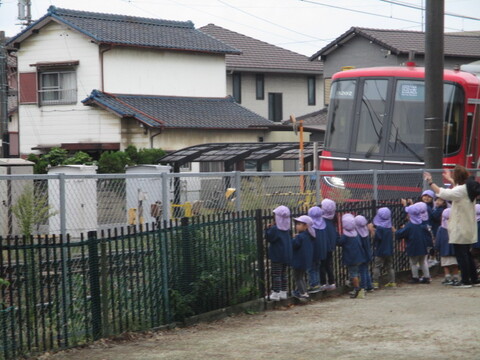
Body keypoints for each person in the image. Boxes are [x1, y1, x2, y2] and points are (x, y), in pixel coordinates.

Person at [424, 166, 479, 287]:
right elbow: (458, 189)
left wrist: (430, 181)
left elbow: (443, 193)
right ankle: (474, 279)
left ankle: (465, 280)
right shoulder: (469, 188)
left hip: (460, 227)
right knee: (467, 254)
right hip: (468, 226)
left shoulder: (460, 190)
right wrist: (450, 179)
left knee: (461, 255)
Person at [395, 203, 431, 284]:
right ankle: (427, 276)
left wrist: (395, 231)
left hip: (414, 246)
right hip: (423, 245)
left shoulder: (410, 225)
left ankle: (415, 277)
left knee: (413, 262)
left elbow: (401, 233)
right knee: (423, 261)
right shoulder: (422, 223)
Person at [337, 214, 367, 299]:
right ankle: (359, 288)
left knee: (353, 273)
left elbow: (339, 242)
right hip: (359, 256)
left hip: (351, 258)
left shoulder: (345, 236)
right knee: (356, 273)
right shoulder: (356, 234)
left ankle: (357, 289)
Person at [265, 205, 292, 301]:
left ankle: (276, 292)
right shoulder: (287, 229)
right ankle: (283, 291)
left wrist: (267, 229)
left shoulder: (275, 229)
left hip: (277, 255)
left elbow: (269, 238)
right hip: (286, 254)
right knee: (283, 273)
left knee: (276, 274)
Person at [371, 207, 396, 288]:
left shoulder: (379, 228)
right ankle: (392, 281)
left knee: (377, 266)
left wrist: (372, 231)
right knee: (389, 266)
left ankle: (375, 282)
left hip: (380, 250)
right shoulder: (389, 227)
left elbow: (377, 238)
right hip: (389, 250)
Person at [291, 215, 315, 300]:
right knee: (301, 277)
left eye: (299, 224)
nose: (297, 225)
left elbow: (295, 245)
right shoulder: (308, 236)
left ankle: (302, 293)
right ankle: (304, 292)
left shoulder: (300, 236)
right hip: (305, 260)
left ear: (306, 226)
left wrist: (293, 239)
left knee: (297, 277)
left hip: (299, 260)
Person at [435, 208, 459, 285]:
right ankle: (456, 278)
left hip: (444, 250)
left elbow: (438, 239)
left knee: (446, 265)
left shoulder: (441, 228)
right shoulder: (457, 227)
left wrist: (437, 247)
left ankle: (447, 278)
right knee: (455, 264)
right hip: (455, 250)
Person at [307, 206, 327, 294]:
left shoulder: (311, 227)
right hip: (321, 251)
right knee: (317, 267)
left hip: (312, 251)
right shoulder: (323, 225)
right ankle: (317, 283)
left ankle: (314, 284)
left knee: (311, 268)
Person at [320, 199, 338, 291]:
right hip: (330, 246)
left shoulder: (322, 221)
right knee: (329, 265)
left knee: (322, 265)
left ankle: (322, 283)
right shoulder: (332, 221)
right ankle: (332, 282)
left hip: (323, 246)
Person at [355, 215, 373, 292]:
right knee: (366, 270)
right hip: (367, 254)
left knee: (362, 270)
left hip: (361, 255)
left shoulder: (358, 234)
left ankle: (363, 286)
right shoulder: (365, 231)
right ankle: (369, 285)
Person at [470, 204, 480, 271]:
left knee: (474, 256)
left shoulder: (472, 221)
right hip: (476, 243)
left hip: (474, 243)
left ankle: (476, 270)